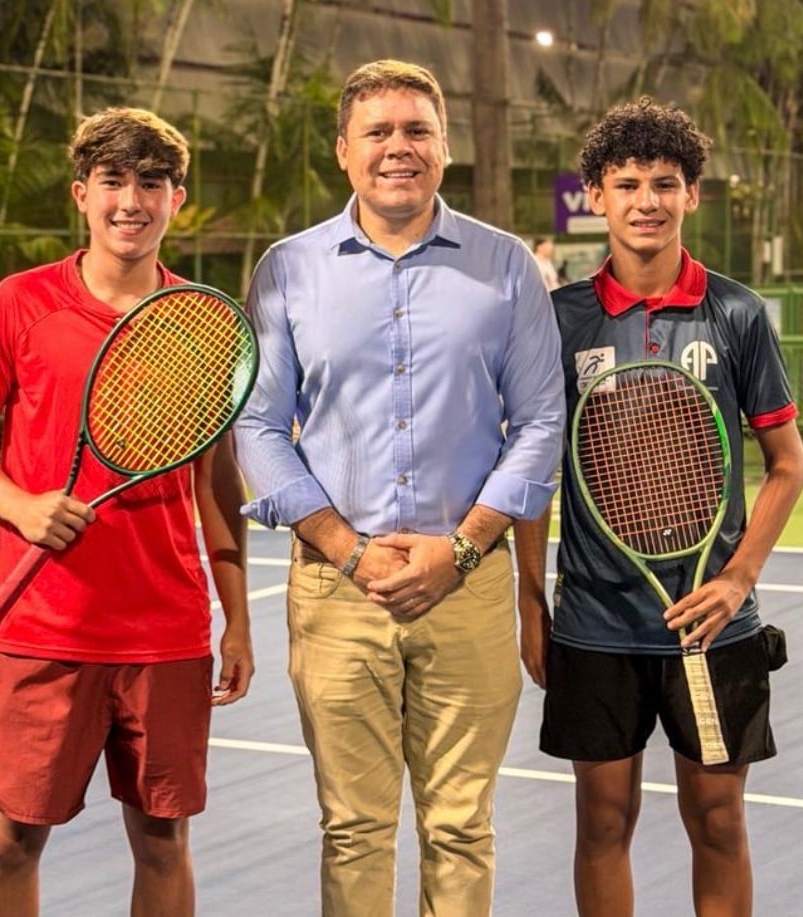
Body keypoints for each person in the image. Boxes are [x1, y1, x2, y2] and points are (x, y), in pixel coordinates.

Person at [234, 59, 565, 916]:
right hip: (339, 591)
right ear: (344, 152)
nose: (397, 148)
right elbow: (259, 428)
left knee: (460, 827)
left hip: (469, 585)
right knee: (353, 827)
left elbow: (537, 424)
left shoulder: (507, 267)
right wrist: (348, 551)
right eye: (377, 132)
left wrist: (460, 547)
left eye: (416, 130)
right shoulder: (287, 269)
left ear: (443, 148)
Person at [0, 107, 254, 917]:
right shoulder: (22, 303)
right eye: (113, 181)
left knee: (162, 840)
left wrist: (238, 618)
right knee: (13, 839)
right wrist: (20, 503)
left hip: (166, 628)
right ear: (82, 194)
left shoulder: (203, 326)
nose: (131, 201)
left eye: (152, 183)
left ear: (177, 198)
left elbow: (216, 485)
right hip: (45, 626)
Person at [520, 97, 803, 916]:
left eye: (665, 182)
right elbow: (538, 470)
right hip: (594, 626)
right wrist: (529, 600)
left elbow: (788, 464)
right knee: (602, 819)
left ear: (692, 196)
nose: (647, 199)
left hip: (717, 626)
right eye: (627, 182)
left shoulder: (738, 313)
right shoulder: (560, 320)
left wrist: (737, 579)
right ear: (597, 198)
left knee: (718, 820)